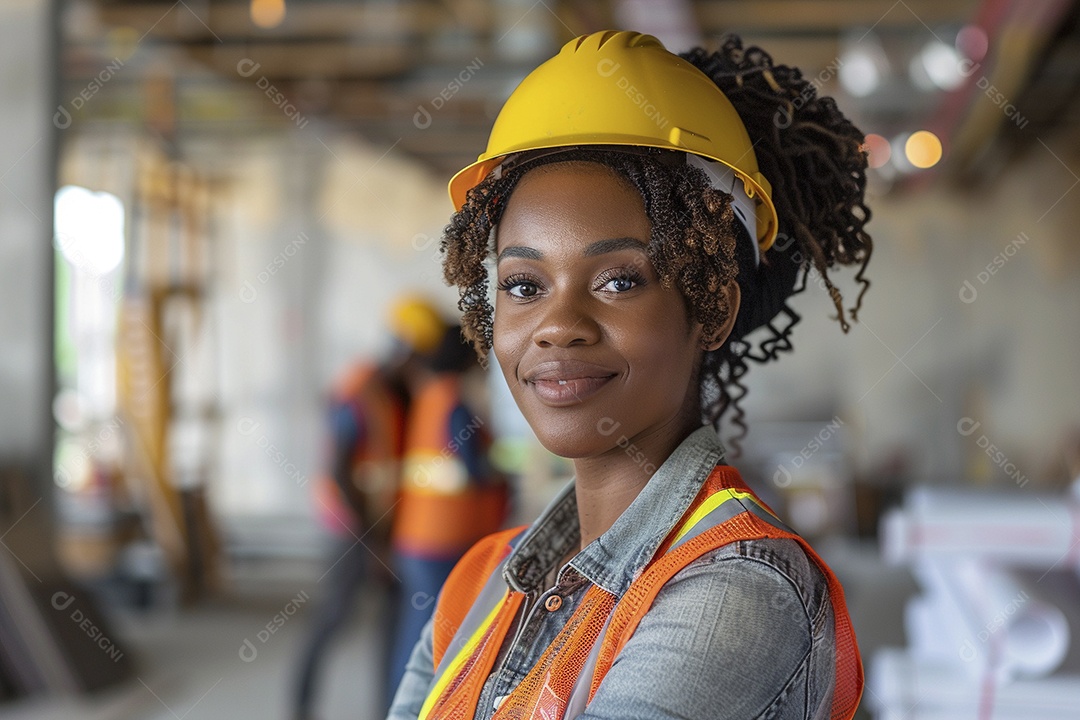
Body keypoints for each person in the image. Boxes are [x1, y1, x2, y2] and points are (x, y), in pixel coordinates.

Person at [388, 30, 871, 720]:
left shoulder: (736, 589)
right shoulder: (481, 581)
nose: (558, 324)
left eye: (618, 280)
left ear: (711, 308)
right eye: (524, 285)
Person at [292, 296, 445, 720]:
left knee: (393, 627)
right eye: (418, 355)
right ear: (402, 347)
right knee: (333, 617)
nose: (422, 364)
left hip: (388, 526)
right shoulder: (359, 391)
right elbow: (341, 471)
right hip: (350, 526)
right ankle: (299, 708)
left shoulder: (406, 394)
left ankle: (386, 710)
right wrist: (371, 540)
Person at [387, 324, 509, 703]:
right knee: (432, 642)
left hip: (416, 536)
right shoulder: (456, 401)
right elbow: (474, 469)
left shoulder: (430, 394)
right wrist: (504, 474)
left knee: (414, 634)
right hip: (444, 539)